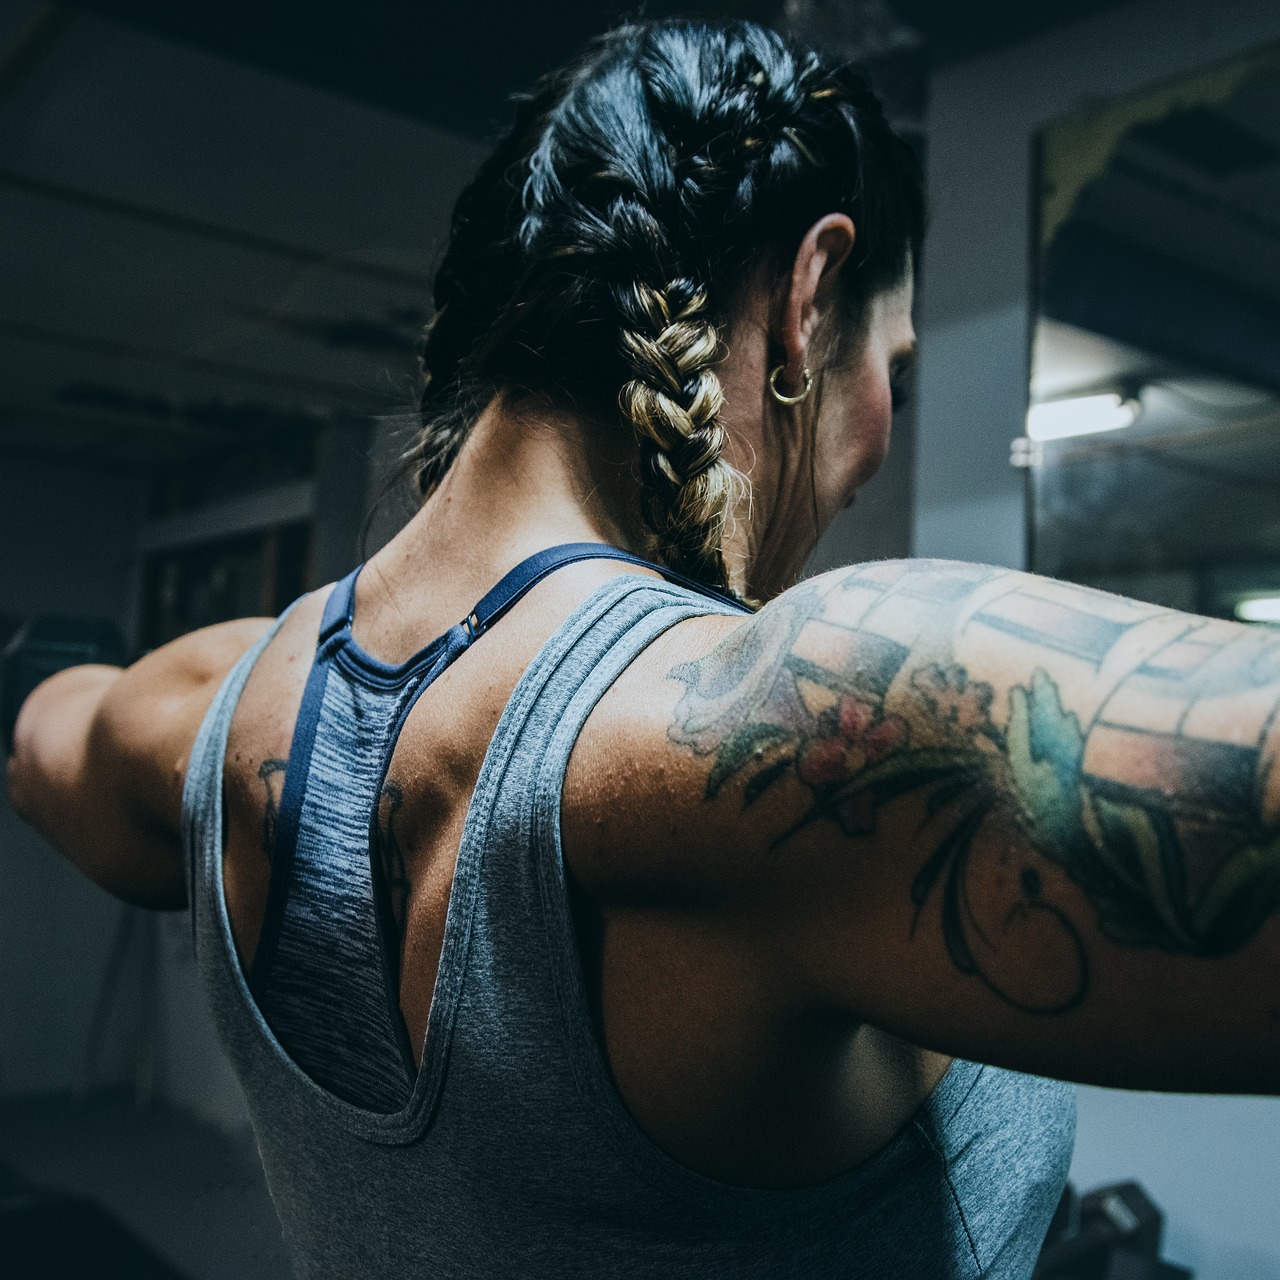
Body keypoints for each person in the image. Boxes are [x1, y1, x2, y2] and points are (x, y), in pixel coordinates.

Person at [7, 17, 1279, 1278]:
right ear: (808, 295)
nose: (880, 430)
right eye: (891, 363)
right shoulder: (771, 723)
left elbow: (39, 722)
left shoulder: (207, 705)